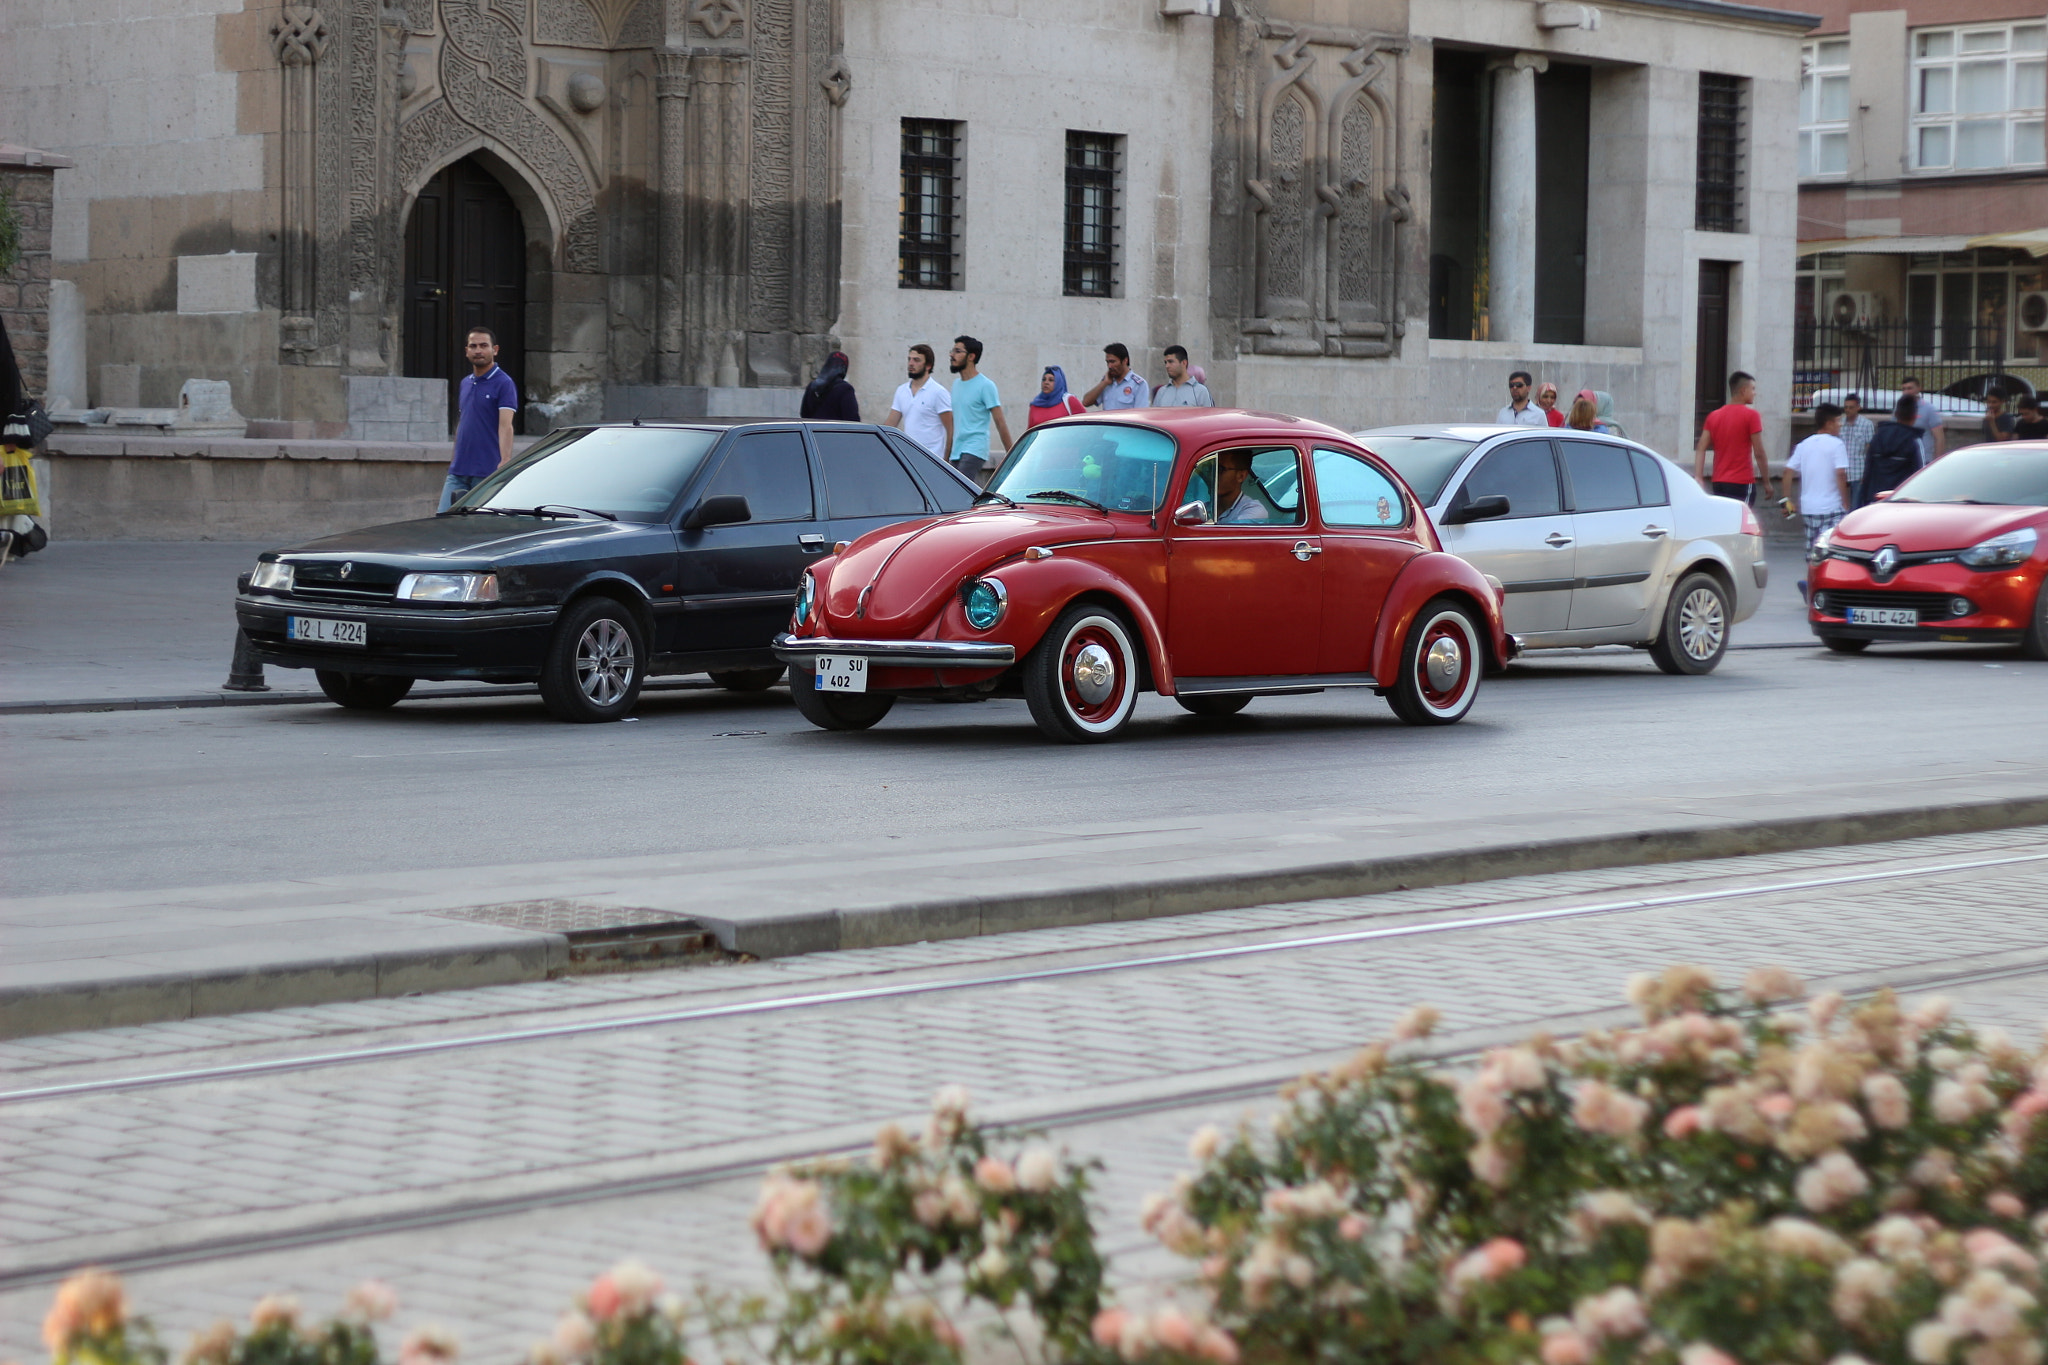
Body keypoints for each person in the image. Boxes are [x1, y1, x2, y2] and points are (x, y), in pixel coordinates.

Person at [440, 326, 517, 513]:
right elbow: (463, 422)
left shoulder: (504, 383)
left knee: (478, 528)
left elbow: (506, 426)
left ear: (495, 350)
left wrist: (505, 461)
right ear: (467, 351)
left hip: (487, 472)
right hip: (458, 471)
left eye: (484, 345)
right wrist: (453, 459)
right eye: (473, 346)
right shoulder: (465, 383)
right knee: (443, 519)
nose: (478, 350)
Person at [1782, 402, 1852, 564]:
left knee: (1812, 551)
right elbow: (1841, 474)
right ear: (1829, 424)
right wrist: (1845, 502)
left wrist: (1787, 501)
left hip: (1809, 508)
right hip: (1833, 508)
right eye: (1838, 421)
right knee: (1832, 552)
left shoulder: (1803, 445)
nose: (1840, 425)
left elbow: (1787, 471)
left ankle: (1811, 581)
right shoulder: (1837, 445)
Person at [1693, 370, 1769, 503]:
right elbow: (1759, 452)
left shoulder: (1713, 416)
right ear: (1743, 390)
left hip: (1719, 483)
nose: (1755, 393)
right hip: (1742, 482)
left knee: (1725, 521)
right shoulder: (1752, 416)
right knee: (1741, 521)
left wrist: (1699, 476)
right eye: (1753, 389)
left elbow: (1700, 447)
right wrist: (1767, 482)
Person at [946, 335, 1013, 481]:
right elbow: (953, 424)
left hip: (975, 448)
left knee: (961, 489)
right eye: (952, 351)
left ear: (971, 356)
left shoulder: (986, 385)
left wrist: (1012, 456)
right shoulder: (956, 385)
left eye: (957, 351)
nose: (952, 355)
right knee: (953, 492)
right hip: (957, 451)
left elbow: (1000, 422)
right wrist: (946, 456)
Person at [884, 344, 953, 459]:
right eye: (909, 359)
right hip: (909, 459)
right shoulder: (901, 391)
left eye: (916, 360)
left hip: (933, 460)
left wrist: (946, 461)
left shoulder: (939, 392)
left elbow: (951, 430)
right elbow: (890, 424)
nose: (911, 363)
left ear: (928, 366)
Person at [1861, 393, 1926, 502]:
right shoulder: (1914, 440)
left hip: (1876, 500)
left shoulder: (1877, 436)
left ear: (1896, 414)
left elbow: (1867, 471)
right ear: (1914, 416)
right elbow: (1920, 474)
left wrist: (1863, 500)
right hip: (1901, 501)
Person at [1083, 343, 1150, 410]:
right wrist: (1104, 383)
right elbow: (1086, 402)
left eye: (1113, 362)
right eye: (1107, 362)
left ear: (1125, 361)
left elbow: (1140, 413)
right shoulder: (1107, 381)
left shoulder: (1139, 384)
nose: (1109, 366)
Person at [1837, 393, 1875, 508]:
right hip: (1842, 471)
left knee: (1855, 506)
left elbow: (1870, 450)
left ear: (1858, 407)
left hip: (1858, 471)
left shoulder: (1866, 425)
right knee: (1840, 505)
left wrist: (1867, 472)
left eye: (1851, 407)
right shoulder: (1839, 424)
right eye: (1846, 407)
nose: (1848, 410)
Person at [799, 350, 859, 421]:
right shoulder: (845, 389)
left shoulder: (812, 386)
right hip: (834, 431)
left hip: (814, 430)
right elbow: (853, 419)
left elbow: (804, 414)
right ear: (843, 369)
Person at [1899, 376, 1946, 463]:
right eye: (1904, 389)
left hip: (1923, 459)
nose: (1906, 392)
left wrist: (1937, 461)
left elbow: (1939, 438)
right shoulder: (1898, 409)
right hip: (1903, 460)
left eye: (1909, 388)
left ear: (1918, 389)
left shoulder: (1929, 409)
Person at [1215, 450, 1269, 524]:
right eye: (1210, 468)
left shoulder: (1254, 511)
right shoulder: (1204, 508)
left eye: (1220, 469)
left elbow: (1229, 534)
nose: (1212, 475)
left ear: (1241, 476)